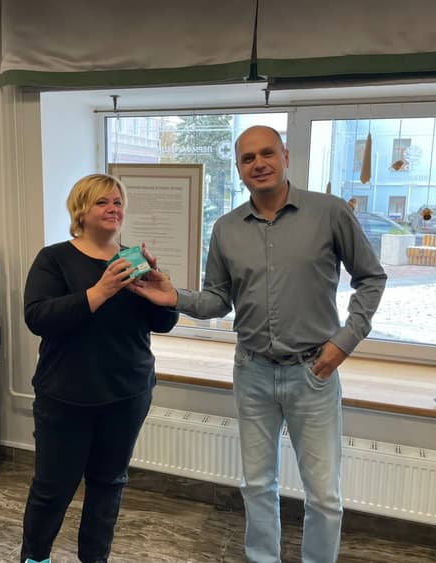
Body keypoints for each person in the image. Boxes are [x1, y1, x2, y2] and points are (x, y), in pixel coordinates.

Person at [132, 125, 387, 563]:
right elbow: (217, 300)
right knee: (256, 485)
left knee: (324, 495)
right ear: (239, 168)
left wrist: (345, 342)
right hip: (252, 372)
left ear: (285, 156)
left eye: (267, 153)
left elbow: (372, 277)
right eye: (248, 158)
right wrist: (174, 297)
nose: (259, 164)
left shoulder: (328, 213)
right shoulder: (226, 229)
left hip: (314, 372)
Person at [20, 173, 178, 563]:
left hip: (127, 395)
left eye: (118, 202)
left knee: (109, 485)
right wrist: (99, 291)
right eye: (102, 202)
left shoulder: (132, 260)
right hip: (65, 398)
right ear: (80, 211)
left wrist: (166, 297)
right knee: (52, 489)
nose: (113, 208)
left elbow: (159, 323)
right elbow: (38, 317)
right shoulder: (54, 259)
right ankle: (35, 558)